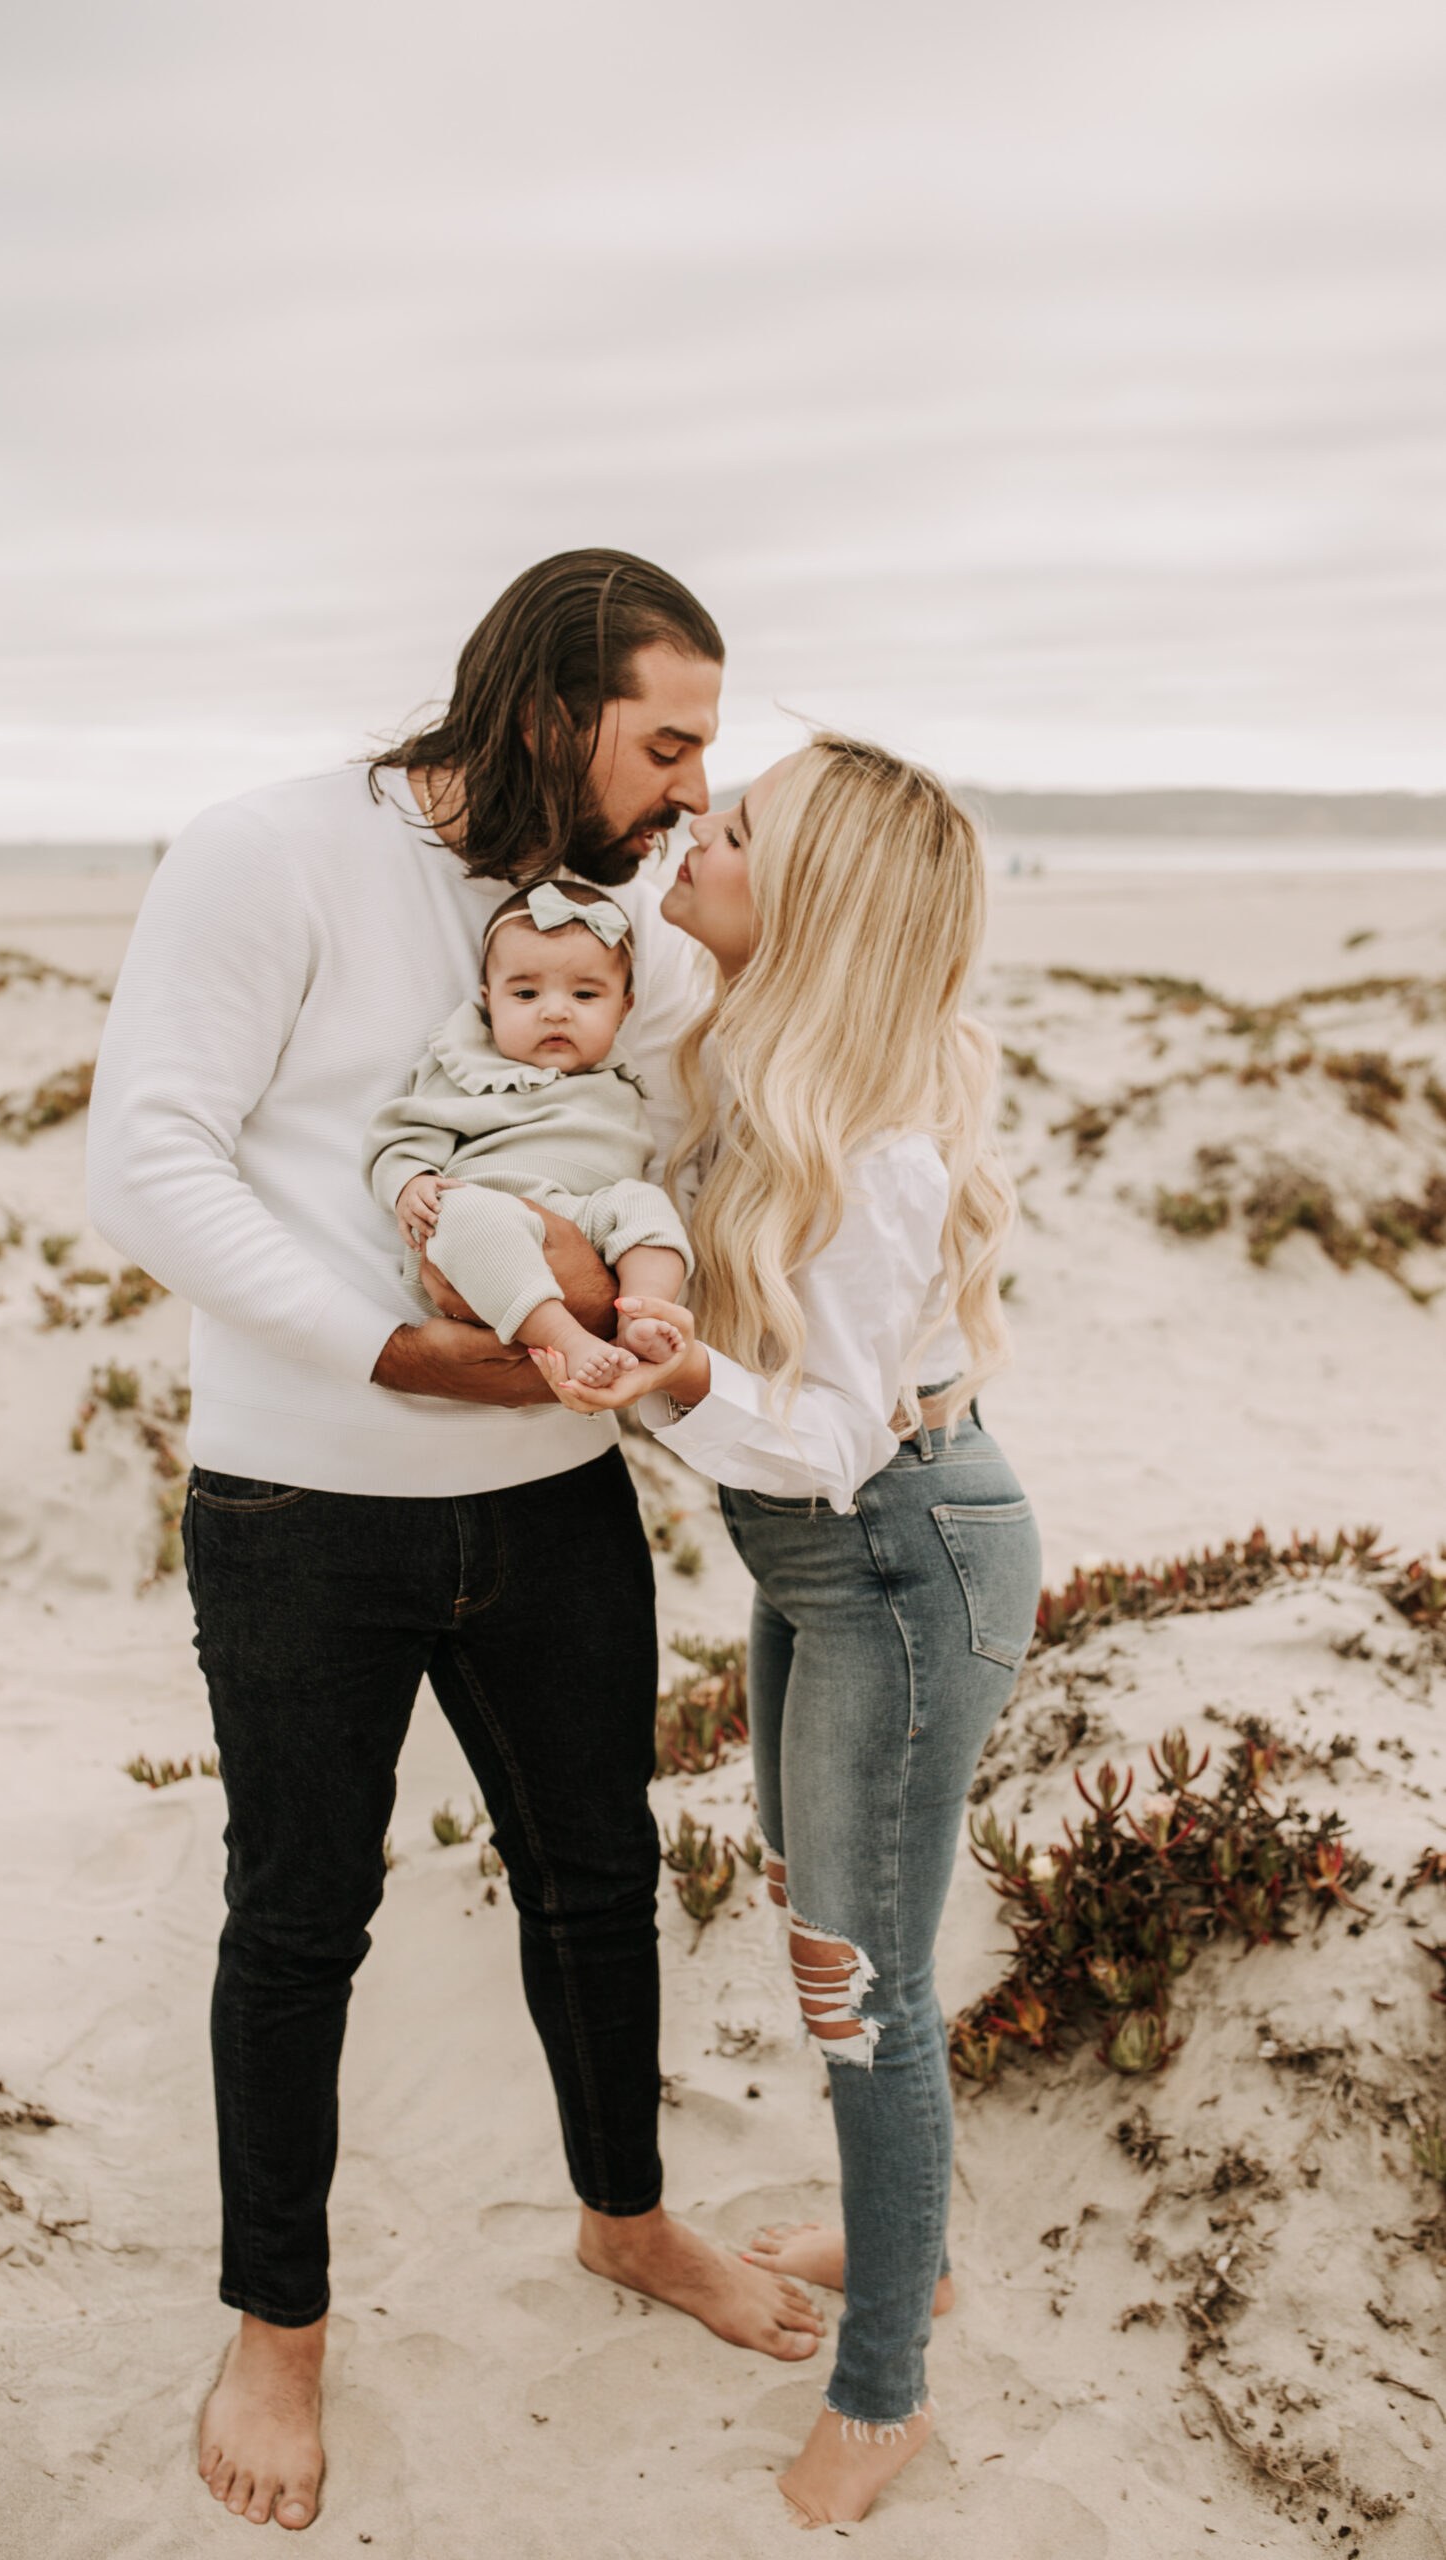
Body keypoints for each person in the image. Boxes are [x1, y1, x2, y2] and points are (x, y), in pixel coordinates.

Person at [85, 551, 824, 2538]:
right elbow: (145, 1148)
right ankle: (279, 2327)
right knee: (298, 1915)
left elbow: (729, 1049)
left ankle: (627, 2216)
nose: (687, 787)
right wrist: (392, 1345)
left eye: (706, 758)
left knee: (596, 1877)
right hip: (297, 1502)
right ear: (544, 705)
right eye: (663, 741)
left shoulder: (613, 916)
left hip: (551, 1495)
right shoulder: (265, 853)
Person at [532, 734, 1043, 2531]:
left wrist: (653, 1373)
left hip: (896, 1563)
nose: (693, 824)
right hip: (828, 1575)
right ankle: (907, 2243)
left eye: (731, 823)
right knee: (828, 1934)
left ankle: (887, 2379)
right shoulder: (750, 1045)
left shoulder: (876, 1145)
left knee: (861, 1992)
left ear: (807, 897)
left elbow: (825, 1443)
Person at [364, 877, 691, 1387]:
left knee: (646, 1204)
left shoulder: (620, 1079)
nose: (555, 1009)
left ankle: (641, 1314)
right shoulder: (465, 1065)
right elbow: (401, 1135)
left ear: (623, 1009)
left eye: (585, 993)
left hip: (587, 1218)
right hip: (489, 1218)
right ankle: (567, 1338)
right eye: (525, 992)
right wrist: (411, 1182)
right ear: (488, 1000)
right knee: (462, 1212)